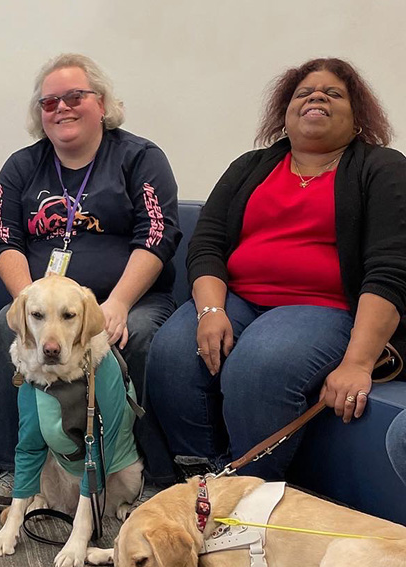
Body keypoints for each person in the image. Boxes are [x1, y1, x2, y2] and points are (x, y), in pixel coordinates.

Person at [146, 57, 406, 481]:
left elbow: (390, 269)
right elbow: (207, 245)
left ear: (358, 117)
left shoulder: (382, 167)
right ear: (285, 114)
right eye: (303, 93)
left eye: (333, 93)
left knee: (260, 363)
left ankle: (248, 491)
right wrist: (211, 312)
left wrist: (359, 362)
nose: (316, 96)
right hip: (238, 297)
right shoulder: (250, 166)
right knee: (172, 353)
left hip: (325, 307)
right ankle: (195, 478)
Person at [0, 53, 181, 508]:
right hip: (44, 300)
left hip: (132, 297)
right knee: (7, 330)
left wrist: (118, 303)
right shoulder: (21, 166)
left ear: (102, 103)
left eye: (74, 96)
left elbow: (157, 234)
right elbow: (2, 238)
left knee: (138, 337)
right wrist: (30, 308)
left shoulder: (140, 158)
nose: (61, 108)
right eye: (49, 101)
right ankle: (14, 465)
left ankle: (151, 469)